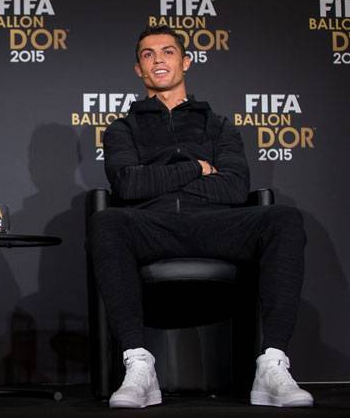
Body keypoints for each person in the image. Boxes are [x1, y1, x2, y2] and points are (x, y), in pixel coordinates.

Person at [89, 25, 313, 409]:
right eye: (148, 54)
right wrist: (195, 168)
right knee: (108, 221)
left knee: (284, 219)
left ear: (185, 61)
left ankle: (272, 364)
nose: (158, 59)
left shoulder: (219, 125)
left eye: (168, 52)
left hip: (215, 225)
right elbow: (127, 186)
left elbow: (233, 187)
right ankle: (138, 366)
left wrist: (159, 178)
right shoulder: (121, 129)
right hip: (153, 226)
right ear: (139, 70)